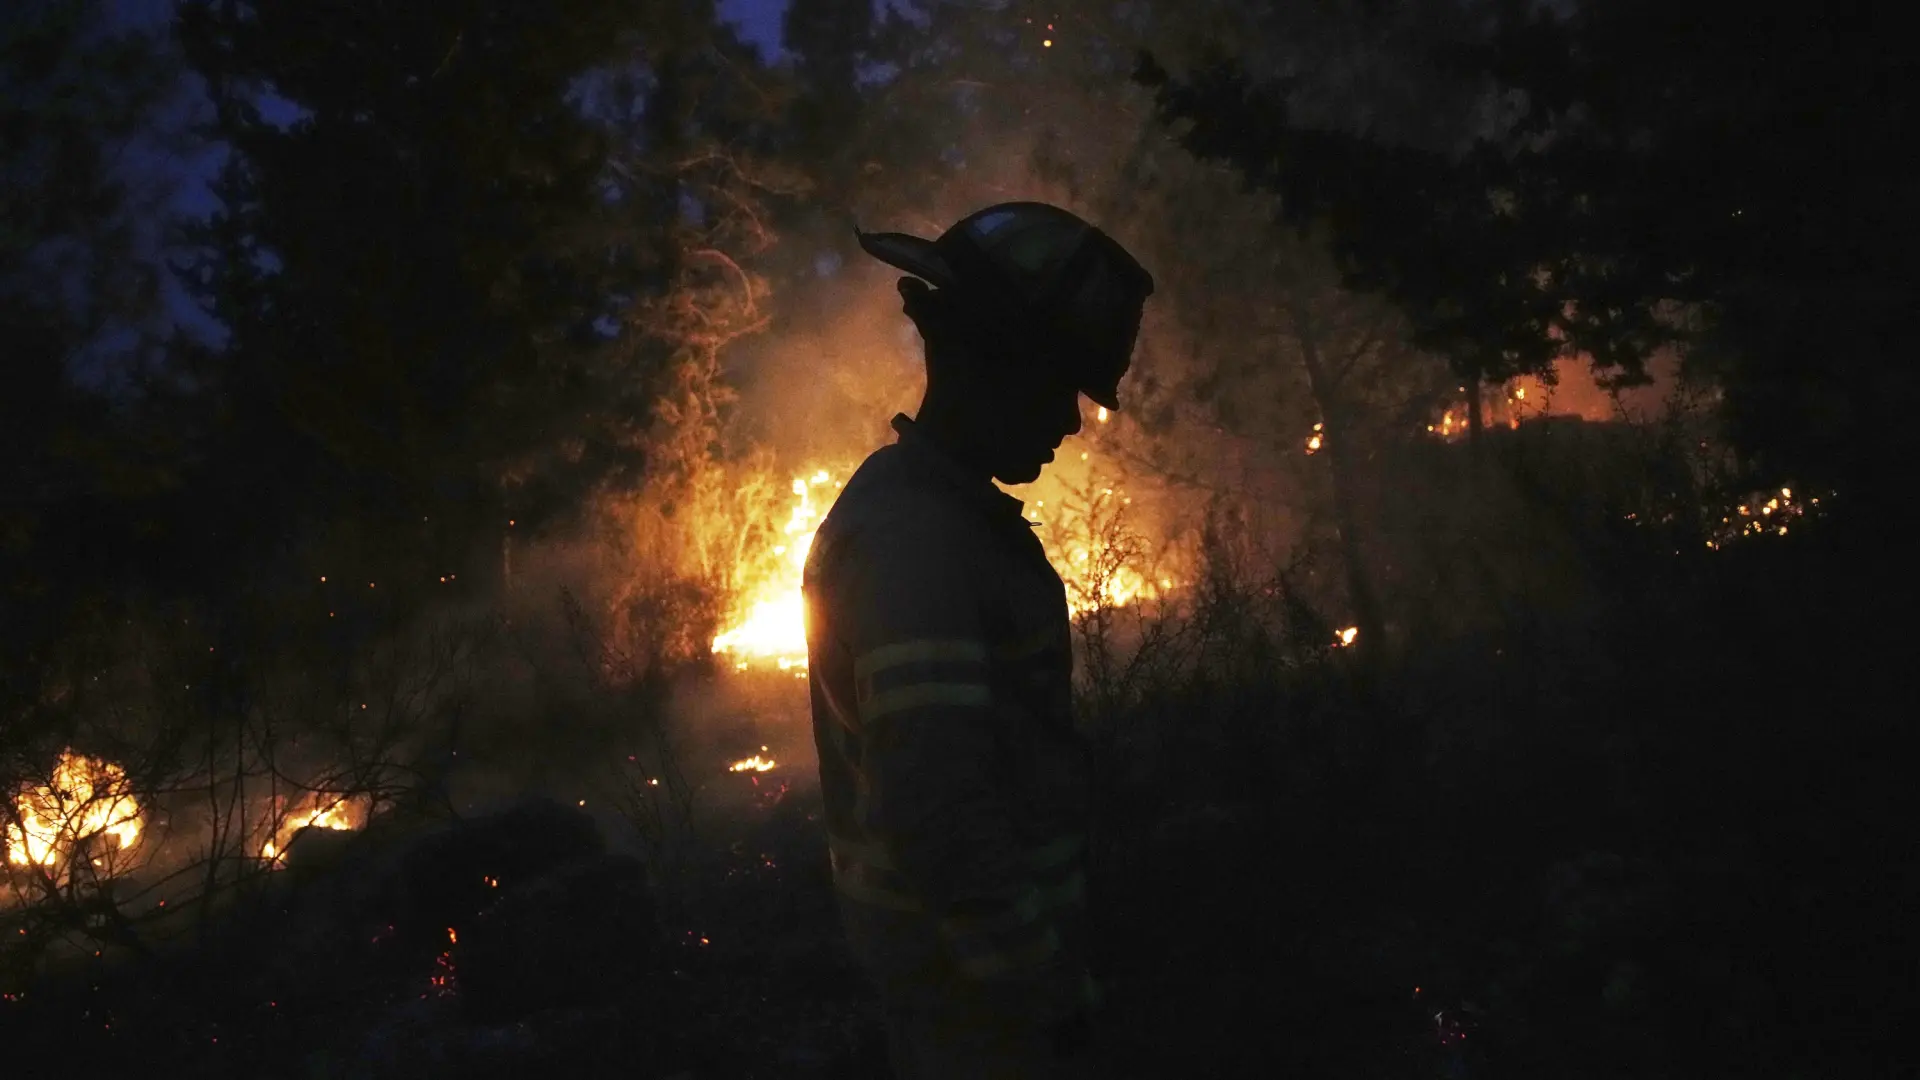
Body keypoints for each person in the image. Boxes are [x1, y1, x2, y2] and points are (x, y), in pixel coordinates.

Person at [802, 202, 1155, 1078]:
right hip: (981, 1012)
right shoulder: (915, 543)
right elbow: (943, 813)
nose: (1073, 423)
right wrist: (1047, 998)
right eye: (1058, 385)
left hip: (976, 988)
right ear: (989, 363)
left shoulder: (945, 519)